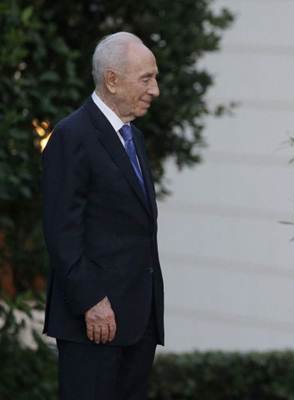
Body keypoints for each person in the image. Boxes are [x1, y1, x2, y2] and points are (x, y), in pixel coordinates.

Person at [42, 32, 164, 400]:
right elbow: (61, 232)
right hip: (93, 323)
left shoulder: (134, 138)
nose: (155, 90)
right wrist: (91, 301)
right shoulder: (71, 136)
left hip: (137, 321)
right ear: (112, 79)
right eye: (146, 79)